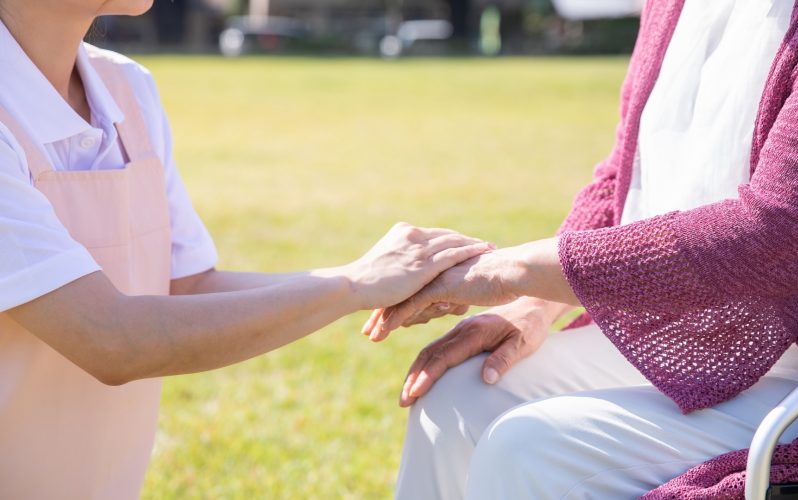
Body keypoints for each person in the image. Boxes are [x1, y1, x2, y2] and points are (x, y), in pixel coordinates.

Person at [366, 0, 798, 498]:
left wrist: (513, 272)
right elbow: (624, 173)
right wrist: (534, 306)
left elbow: (778, 236)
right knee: (456, 396)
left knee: (531, 448)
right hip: (674, 337)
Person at [0, 1, 493, 498]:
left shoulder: (127, 88)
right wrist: (353, 285)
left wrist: (370, 282)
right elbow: (109, 339)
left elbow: (186, 286)